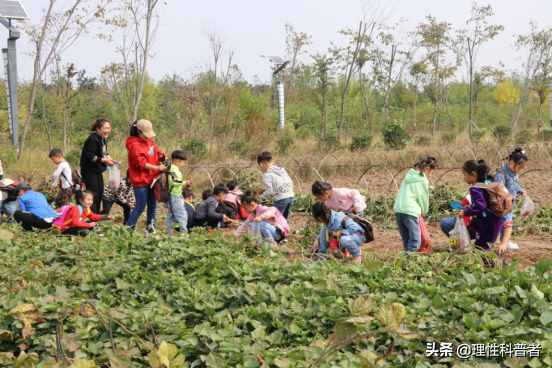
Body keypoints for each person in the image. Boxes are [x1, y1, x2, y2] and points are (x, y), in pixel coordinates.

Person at [441, 160, 505, 251]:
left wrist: (466, 212)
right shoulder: (487, 183)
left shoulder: (475, 188)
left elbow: (480, 206)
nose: (464, 178)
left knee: (481, 248)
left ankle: (459, 248)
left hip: (485, 225)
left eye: (465, 175)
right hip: (495, 222)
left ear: (473, 174)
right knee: (484, 246)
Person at [126, 119, 166, 233]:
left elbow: (156, 153)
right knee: (140, 206)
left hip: (152, 179)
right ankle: (129, 228)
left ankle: (150, 226)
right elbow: (141, 163)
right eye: (146, 134)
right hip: (140, 181)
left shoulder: (150, 142)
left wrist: (162, 157)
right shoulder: (134, 145)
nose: (148, 137)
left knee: (153, 204)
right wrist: (157, 168)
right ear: (139, 131)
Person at [393, 156, 438, 252]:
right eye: (431, 171)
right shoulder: (423, 180)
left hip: (398, 210)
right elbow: (423, 198)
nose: (430, 174)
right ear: (427, 169)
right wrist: (424, 211)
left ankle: (405, 260)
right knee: (415, 241)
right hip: (410, 211)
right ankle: (409, 261)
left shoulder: (408, 175)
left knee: (406, 238)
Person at [494, 148, 528, 254]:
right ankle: (503, 244)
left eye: (522, 168)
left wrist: (521, 191)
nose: (520, 169)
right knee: (507, 222)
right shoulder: (501, 173)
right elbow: (499, 190)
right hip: (503, 204)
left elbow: (514, 185)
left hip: (510, 202)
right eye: (519, 166)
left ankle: (504, 242)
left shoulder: (514, 172)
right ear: (512, 162)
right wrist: (508, 197)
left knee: (506, 222)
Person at [80, 118, 114, 213]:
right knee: (93, 196)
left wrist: (109, 158)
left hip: (97, 171)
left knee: (99, 194)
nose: (107, 130)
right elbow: (91, 156)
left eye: (109, 128)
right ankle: (90, 219)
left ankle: (96, 217)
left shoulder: (102, 139)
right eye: (105, 128)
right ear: (98, 129)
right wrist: (105, 160)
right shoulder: (92, 139)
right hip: (89, 172)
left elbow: (104, 153)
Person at [256, 151, 295, 219]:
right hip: (291, 196)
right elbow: (289, 181)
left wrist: (260, 198)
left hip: (281, 199)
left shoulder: (267, 175)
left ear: (261, 164)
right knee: (283, 220)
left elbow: (270, 191)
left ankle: (277, 230)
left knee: (276, 220)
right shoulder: (281, 169)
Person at [166, 150, 189, 235]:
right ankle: (184, 235)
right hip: (174, 196)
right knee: (182, 215)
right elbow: (174, 182)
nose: (183, 164)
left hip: (173, 195)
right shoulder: (173, 169)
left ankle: (170, 235)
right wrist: (184, 182)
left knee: (171, 216)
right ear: (177, 160)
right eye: (182, 162)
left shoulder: (173, 168)